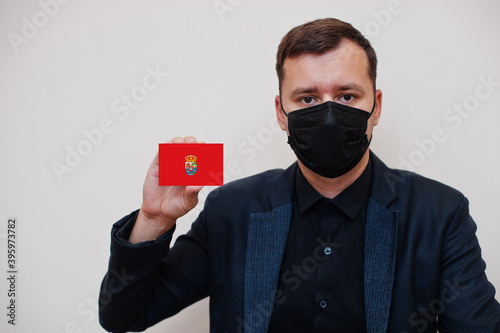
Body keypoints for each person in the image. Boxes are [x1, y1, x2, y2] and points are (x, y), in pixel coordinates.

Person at [99, 18, 500, 333]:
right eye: (307, 98)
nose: (327, 115)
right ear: (281, 113)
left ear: (375, 107)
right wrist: (153, 221)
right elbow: (123, 316)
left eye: (346, 96)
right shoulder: (231, 210)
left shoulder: (439, 214)